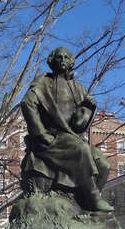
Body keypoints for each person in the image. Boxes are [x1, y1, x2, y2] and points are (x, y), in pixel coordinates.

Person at [20, 47, 114, 212]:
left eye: (66, 57)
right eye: (58, 57)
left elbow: (78, 125)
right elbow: (27, 104)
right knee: (82, 150)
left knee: (104, 164)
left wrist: (87, 109)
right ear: (52, 61)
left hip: (71, 137)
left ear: (71, 62)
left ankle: (86, 207)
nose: (62, 59)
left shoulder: (79, 89)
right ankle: (93, 199)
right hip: (52, 136)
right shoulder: (43, 83)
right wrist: (41, 133)